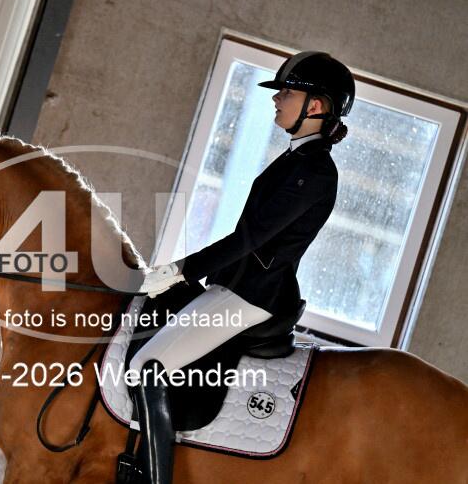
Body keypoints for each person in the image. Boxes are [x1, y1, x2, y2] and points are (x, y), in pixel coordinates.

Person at [131, 51, 356, 484]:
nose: (277, 99)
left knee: (148, 366)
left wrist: (180, 270)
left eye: (287, 93)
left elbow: (250, 238)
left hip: (253, 295)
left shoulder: (315, 171)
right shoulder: (296, 158)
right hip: (235, 285)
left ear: (315, 106)